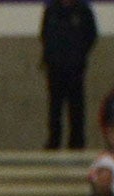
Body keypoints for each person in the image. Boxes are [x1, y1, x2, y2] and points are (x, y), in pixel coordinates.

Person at [40, 0, 99, 150]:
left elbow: (91, 35)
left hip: (75, 68)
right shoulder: (51, 10)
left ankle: (77, 143)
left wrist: (79, 55)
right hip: (55, 68)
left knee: (76, 107)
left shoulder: (83, 10)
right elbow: (44, 34)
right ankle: (54, 141)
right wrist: (50, 57)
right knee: (55, 107)